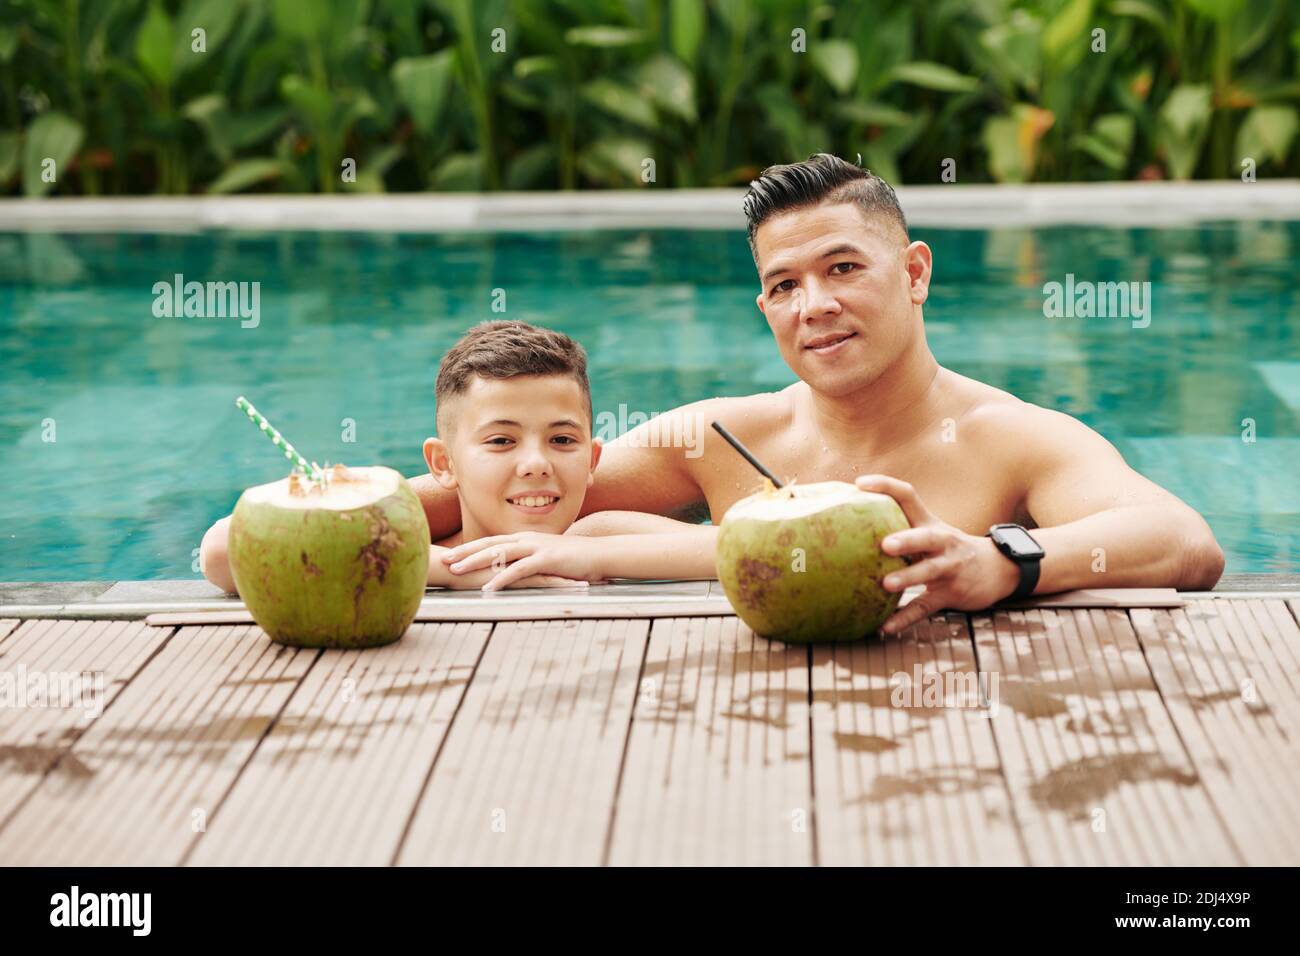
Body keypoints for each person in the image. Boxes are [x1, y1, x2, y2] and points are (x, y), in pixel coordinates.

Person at [419, 154, 1224, 634]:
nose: (816, 307)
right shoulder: (720, 437)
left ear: (914, 273)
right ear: (765, 307)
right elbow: (509, 494)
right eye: (784, 285)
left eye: (843, 269)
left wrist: (1000, 562)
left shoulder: (1011, 440)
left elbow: (1183, 541)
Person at [199, 321, 716, 593]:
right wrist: (445, 569)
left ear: (593, 458)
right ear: (442, 463)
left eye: (562, 440)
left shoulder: (592, 537)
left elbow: (737, 547)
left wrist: (593, 560)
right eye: (500, 441)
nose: (536, 463)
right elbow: (222, 551)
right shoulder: (416, 550)